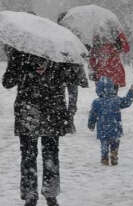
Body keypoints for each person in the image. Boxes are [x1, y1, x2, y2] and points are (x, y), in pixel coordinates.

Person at [2, 49, 84, 206]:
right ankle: (50, 194)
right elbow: (73, 81)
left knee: (29, 155)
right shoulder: (60, 52)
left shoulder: (21, 52)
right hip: (52, 111)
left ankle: (30, 195)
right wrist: (70, 110)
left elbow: (8, 82)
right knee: (50, 154)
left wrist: (16, 64)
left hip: (29, 111)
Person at [88, 76, 133, 166]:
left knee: (104, 144)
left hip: (102, 128)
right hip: (115, 127)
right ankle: (114, 154)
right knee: (115, 142)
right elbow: (127, 102)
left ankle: (104, 157)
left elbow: (92, 115)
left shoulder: (96, 102)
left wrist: (91, 124)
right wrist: (131, 92)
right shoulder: (116, 100)